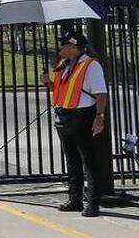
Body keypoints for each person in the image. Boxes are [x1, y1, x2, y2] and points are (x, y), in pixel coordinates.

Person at [43, 30, 109, 217]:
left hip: (83, 116)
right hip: (64, 116)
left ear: (73, 47)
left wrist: (100, 116)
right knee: (72, 160)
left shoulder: (91, 65)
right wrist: (49, 83)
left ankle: (93, 203)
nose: (60, 48)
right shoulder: (64, 64)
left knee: (89, 160)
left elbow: (101, 93)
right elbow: (63, 90)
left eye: (63, 44)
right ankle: (75, 200)